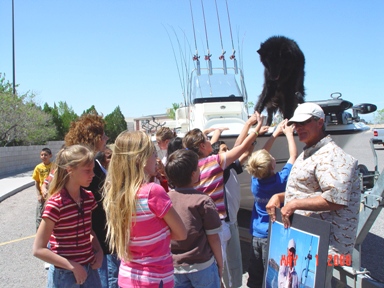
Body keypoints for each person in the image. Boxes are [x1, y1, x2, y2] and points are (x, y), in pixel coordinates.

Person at [266, 103, 360, 285]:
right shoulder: (309, 152)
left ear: (320, 122)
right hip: (306, 237)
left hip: (326, 247)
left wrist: (293, 204)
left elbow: (335, 199)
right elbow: (307, 190)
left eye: (304, 123)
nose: (298, 128)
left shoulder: (332, 155)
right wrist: (280, 196)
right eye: (296, 124)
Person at [183, 112, 264, 286]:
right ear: (201, 145)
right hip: (218, 226)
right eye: (207, 139)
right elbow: (240, 148)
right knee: (219, 269)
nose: (209, 142)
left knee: (208, 268)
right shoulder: (215, 161)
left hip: (198, 226)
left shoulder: (190, 165)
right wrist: (256, 130)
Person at [103, 130, 187, 288]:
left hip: (127, 277)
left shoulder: (115, 194)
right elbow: (181, 232)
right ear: (139, 159)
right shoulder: (152, 192)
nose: (156, 158)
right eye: (152, 153)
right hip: (156, 278)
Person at [32, 145, 103, 287]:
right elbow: (38, 249)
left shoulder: (88, 198)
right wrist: (72, 266)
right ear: (70, 170)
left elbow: (89, 230)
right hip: (64, 275)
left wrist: (99, 251)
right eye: (87, 170)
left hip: (89, 270)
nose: (93, 175)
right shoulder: (56, 204)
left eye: (93, 170)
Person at [210, 124, 269, 288]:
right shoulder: (222, 170)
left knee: (233, 264)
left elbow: (245, 151)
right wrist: (252, 127)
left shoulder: (230, 168)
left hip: (233, 222)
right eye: (224, 149)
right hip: (226, 223)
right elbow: (239, 145)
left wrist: (253, 139)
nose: (228, 150)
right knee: (230, 265)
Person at [64, 113, 118, 288]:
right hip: (97, 239)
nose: (106, 138)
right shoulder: (88, 166)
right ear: (94, 138)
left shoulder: (95, 163)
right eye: (103, 135)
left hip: (102, 238)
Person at [245, 119, 297, 288]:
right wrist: (288, 134)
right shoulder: (279, 181)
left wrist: (275, 134)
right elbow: (293, 157)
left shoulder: (255, 181)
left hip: (256, 234)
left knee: (255, 272)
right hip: (271, 235)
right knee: (271, 271)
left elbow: (260, 155)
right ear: (273, 165)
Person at [165, 149, 223, 288]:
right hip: (202, 266)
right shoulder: (203, 201)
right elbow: (213, 238)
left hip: (174, 267)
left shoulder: (165, 199)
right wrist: (220, 264)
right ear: (193, 174)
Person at [32, 147, 53, 231]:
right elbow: (36, 182)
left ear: (50, 156)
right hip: (43, 196)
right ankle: (39, 234)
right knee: (39, 217)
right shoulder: (38, 167)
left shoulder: (54, 166)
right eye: (42, 155)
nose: (43, 156)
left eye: (45, 155)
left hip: (51, 195)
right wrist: (39, 195)